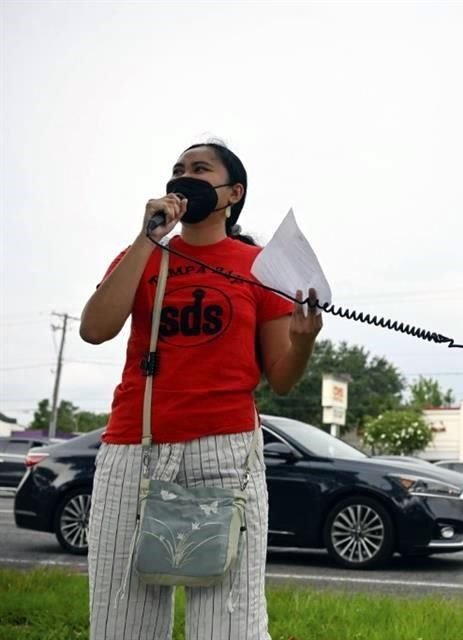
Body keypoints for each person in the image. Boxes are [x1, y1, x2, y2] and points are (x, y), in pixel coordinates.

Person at [79, 141, 323, 640]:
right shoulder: (142, 254)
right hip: (135, 446)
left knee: (228, 621)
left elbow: (280, 377)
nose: (183, 176)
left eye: (199, 168)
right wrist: (147, 239)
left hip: (224, 452)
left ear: (233, 192)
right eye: (177, 169)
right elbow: (95, 328)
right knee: (120, 618)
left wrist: (302, 343)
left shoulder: (260, 266)